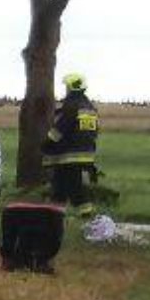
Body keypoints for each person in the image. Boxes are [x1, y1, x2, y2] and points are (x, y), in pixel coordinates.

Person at [43, 73, 100, 218]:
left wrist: (46, 144)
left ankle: (87, 220)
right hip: (86, 156)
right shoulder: (90, 108)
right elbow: (94, 132)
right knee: (62, 189)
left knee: (73, 190)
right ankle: (54, 218)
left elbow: (60, 130)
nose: (66, 89)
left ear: (71, 87)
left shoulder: (71, 106)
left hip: (68, 157)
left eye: (66, 87)